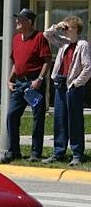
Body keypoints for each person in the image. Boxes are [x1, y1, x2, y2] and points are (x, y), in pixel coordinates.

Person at [0, 8, 52, 164]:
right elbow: (17, 63)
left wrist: (40, 79)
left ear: (29, 22)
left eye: (20, 19)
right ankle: (13, 151)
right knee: (12, 115)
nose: (17, 22)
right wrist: (10, 80)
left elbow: (47, 61)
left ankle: (35, 152)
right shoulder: (16, 39)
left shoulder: (39, 38)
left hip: (34, 84)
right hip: (19, 84)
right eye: (17, 19)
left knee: (37, 117)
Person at [42, 16, 90, 167]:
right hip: (60, 82)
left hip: (73, 85)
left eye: (68, 28)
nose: (66, 30)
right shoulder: (64, 43)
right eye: (66, 28)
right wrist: (57, 26)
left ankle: (77, 153)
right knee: (60, 118)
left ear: (76, 29)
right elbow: (46, 35)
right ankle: (58, 151)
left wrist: (76, 83)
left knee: (74, 120)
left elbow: (88, 68)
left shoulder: (82, 45)